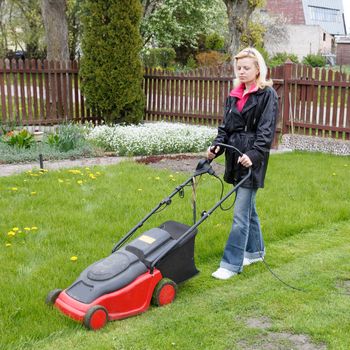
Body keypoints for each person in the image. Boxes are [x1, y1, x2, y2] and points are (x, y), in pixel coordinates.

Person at [208, 47, 278, 280]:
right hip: (234, 156)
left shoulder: (267, 95)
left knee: (240, 214)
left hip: (251, 159)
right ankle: (256, 251)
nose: (242, 71)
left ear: (258, 69)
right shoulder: (234, 94)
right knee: (248, 209)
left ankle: (230, 264)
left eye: (247, 67)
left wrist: (255, 155)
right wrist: (215, 147)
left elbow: (266, 131)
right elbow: (225, 128)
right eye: (239, 67)